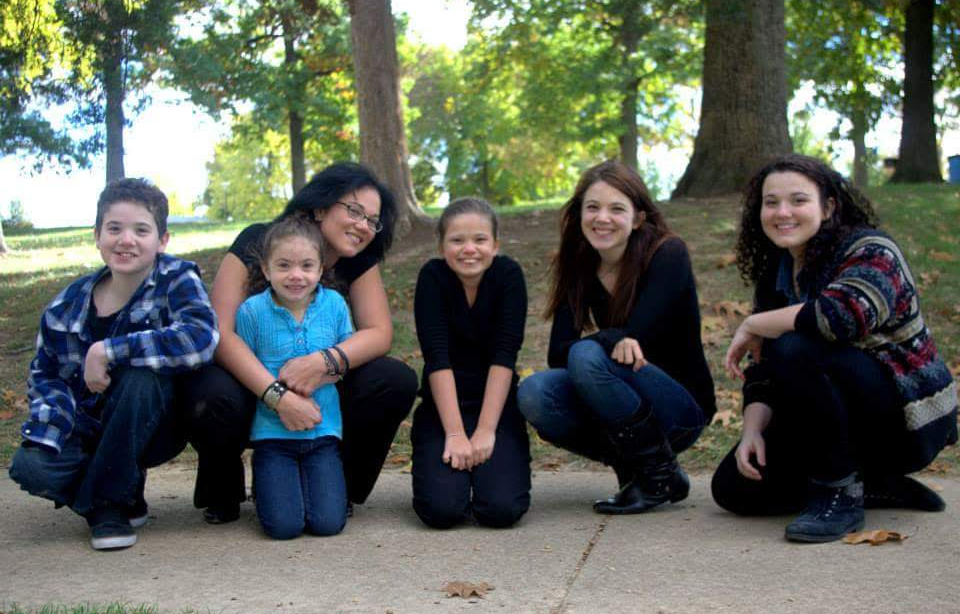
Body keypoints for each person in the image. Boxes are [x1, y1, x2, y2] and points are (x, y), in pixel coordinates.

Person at [713, 154, 957, 542]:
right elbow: (762, 368)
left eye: (798, 200)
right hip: (836, 417)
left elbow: (840, 316)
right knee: (734, 489)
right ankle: (876, 484)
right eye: (770, 202)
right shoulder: (777, 270)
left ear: (827, 207)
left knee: (795, 344)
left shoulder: (871, 249)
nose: (782, 212)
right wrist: (752, 430)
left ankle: (839, 492)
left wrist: (753, 322)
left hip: (906, 419)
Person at [181, 162, 418, 523]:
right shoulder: (258, 241)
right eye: (354, 211)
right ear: (320, 206)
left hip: (319, 385)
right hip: (252, 381)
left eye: (372, 221)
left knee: (394, 379)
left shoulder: (358, 262)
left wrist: (325, 361)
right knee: (210, 391)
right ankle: (224, 491)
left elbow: (379, 333)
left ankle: (339, 488)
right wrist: (277, 396)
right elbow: (220, 333)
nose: (363, 226)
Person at [9, 178, 218, 550]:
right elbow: (46, 376)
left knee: (140, 377)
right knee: (31, 467)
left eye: (141, 230)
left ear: (162, 240)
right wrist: (58, 428)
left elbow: (200, 338)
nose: (126, 240)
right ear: (97, 235)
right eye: (114, 229)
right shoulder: (65, 307)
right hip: (88, 424)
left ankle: (106, 506)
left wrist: (109, 349)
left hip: (154, 424)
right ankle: (119, 489)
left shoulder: (175, 279)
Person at [517, 160, 716, 514]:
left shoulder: (668, 253)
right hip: (624, 406)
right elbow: (556, 354)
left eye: (616, 209)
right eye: (592, 207)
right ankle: (640, 470)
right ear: (579, 213)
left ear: (638, 218)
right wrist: (611, 339)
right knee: (535, 392)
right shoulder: (578, 264)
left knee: (586, 355)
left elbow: (640, 334)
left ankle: (658, 472)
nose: (601, 218)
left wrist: (607, 340)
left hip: (679, 408)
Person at [411, 198, 530, 528]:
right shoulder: (432, 278)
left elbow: (505, 356)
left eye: (480, 240)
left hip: (496, 405)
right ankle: (448, 467)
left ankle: (494, 466)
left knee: (501, 510)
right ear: (442, 245)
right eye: (457, 240)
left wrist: (485, 431)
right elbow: (437, 358)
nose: (469, 249)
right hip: (444, 407)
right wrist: (455, 434)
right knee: (441, 511)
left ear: (495, 245)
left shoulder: (508, 276)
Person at [235, 214, 352, 539]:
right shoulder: (251, 312)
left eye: (306, 265)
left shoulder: (335, 305)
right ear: (267, 270)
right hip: (273, 439)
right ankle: (268, 486)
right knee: (284, 528)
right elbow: (244, 368)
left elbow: (346, 361)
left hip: (323, 434)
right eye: (284, 266)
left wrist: (320, 377)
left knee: (328, 524)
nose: (296, 275)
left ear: (320, 269)